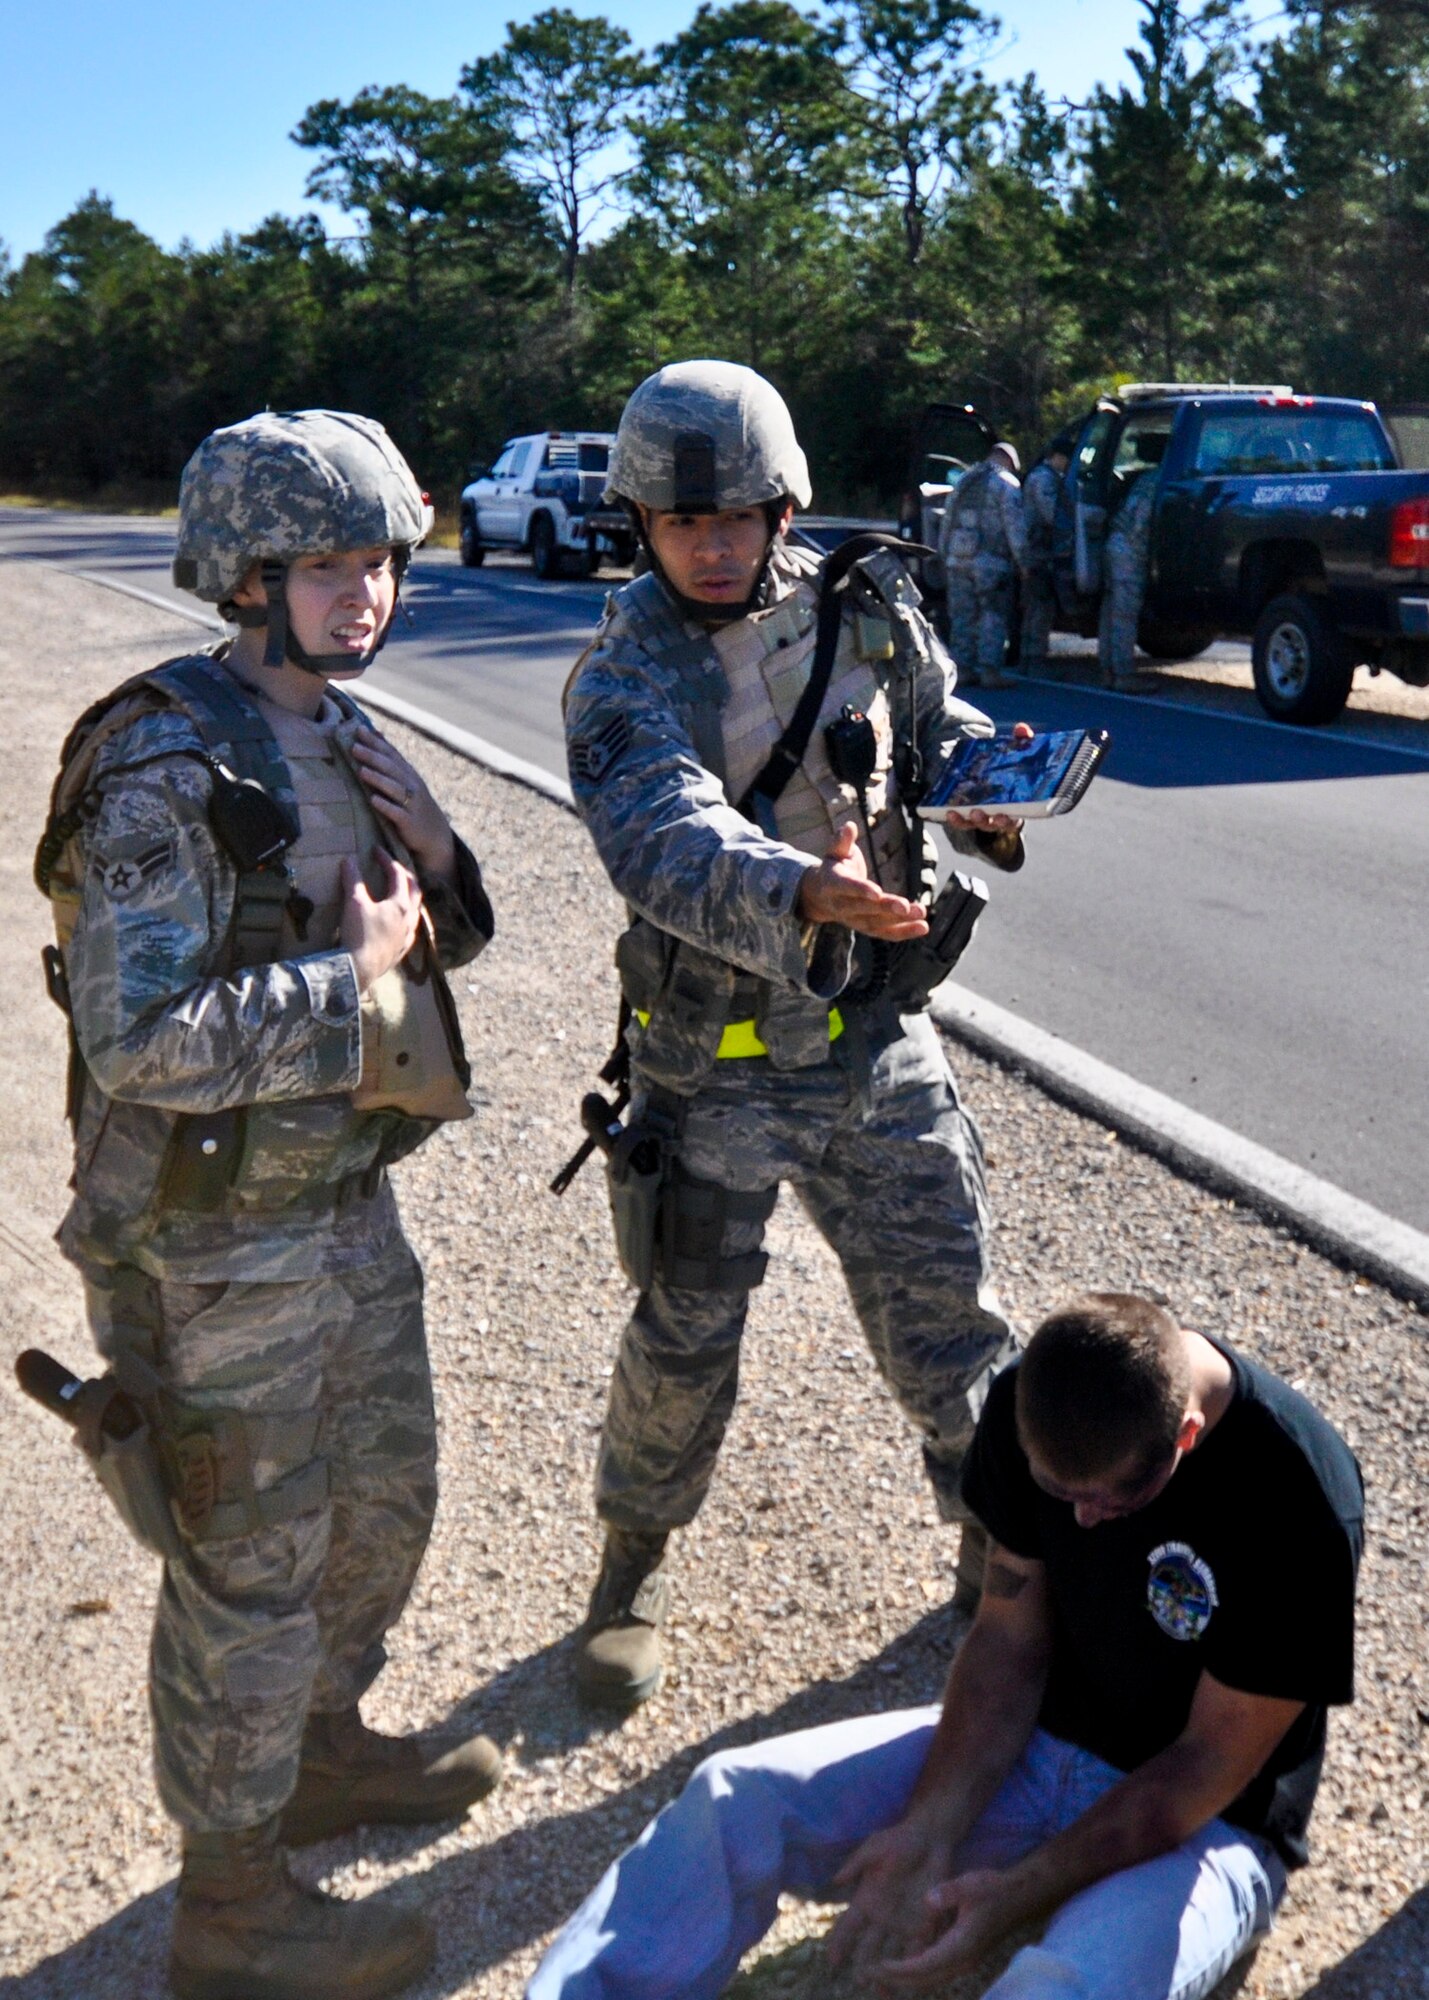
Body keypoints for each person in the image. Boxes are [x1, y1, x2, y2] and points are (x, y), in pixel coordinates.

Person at [39, 410, 502, 2000]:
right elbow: (140, 1042)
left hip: (340, 1202)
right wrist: (344, 975)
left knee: (383, 1502)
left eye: (380, 562)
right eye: (324, 565)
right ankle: (230, 1904)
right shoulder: (162, 765)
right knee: (247, 1562)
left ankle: (315, 1749)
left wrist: (440, 854)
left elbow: (424, 934)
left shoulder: (340, 732)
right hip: (207, 1244)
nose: (363, 593)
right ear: (245, 576)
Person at [561, 360, 1027, 1712]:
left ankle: (1002, 1552)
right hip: (716, 1068)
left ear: (781, 510)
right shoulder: (623, 670)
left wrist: (988, 785)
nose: (711, 546)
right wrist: (798, 891)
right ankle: (631, 1565)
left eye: (736, 518)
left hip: (876, 1032)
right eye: (681, 522)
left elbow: (935, 721)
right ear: (640, 524)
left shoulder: (862, 605)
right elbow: (659, 834)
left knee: (950, 1306)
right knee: (685, 1331)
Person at [527, 1292, 1363, 2000]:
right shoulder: (1021, 1404)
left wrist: (1011, 1898)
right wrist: (929, 1827)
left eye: (1115, 1499)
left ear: (1184, 1435)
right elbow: (1006, 1642)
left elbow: (1203, 1766)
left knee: (1064, 1987)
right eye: (1057, 1491)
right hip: (1036, 1748)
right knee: (731, 1799)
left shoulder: (1296, 1496)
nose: (1083, 1520)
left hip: (1207, 1826)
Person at [938, 441, 1030, 689]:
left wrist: (943, 555)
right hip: (991, 563)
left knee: (962, 616)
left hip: (957, 560)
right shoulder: (1006, 484)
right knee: (993, 615)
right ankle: (990, 671)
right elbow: (1014, 527)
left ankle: (963, 669)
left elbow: (947, 521)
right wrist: (1024, 563)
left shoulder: (963, 481)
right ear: (1009, 461)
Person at [1098, 432, 1168, 691]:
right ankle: (1124, 675)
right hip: (1130, 550)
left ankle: (1108, 671)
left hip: (1115, 545)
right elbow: (1142, 522)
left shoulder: (1141, 478)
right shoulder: (1158, 479)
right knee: (1124, 615)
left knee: (1111, 611)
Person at [1018, 432, 1076, 675]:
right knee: (1041, 607)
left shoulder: (1043, 476)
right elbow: (1051, 514)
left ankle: (1028, 658)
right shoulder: (1044, 479)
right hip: (1039, 553)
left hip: (1038, 551)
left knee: (1037, 606)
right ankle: (1034, 658)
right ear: (1058, 457)